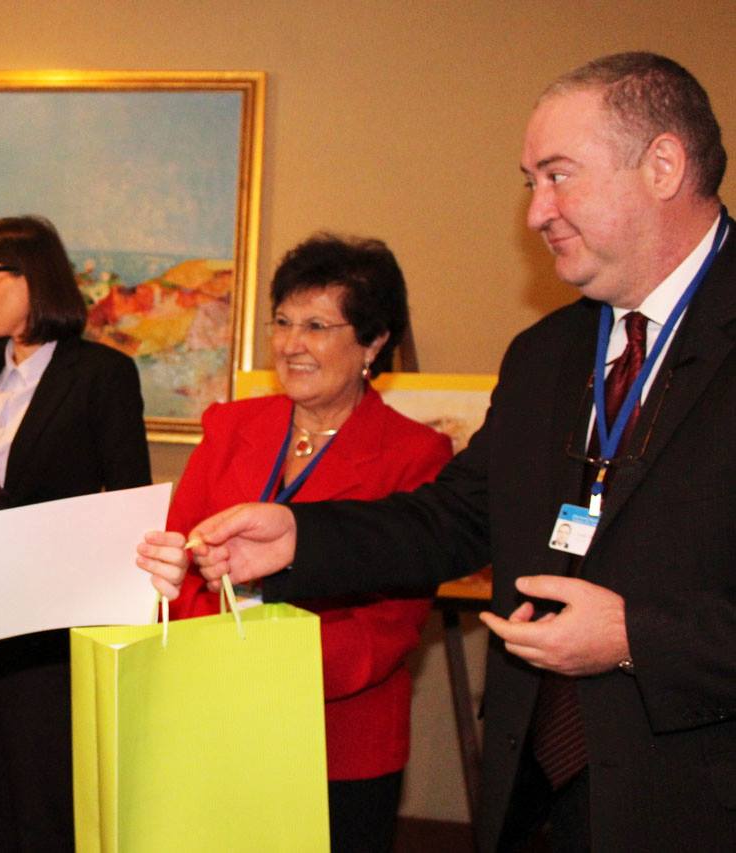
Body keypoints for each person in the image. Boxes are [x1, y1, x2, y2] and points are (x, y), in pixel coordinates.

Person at [140, 53, 736, 852]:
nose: (535, 212)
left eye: (557, 176)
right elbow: (452, 518)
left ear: (661, 166)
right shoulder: (545, 355)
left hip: (695, 796)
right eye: (529, 182)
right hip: (534, 793)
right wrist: (300, 538)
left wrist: (637, 637)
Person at [138, 234, 451, 851]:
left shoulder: (415, 455)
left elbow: (388, 627)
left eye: (315, 326)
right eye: (282, 322)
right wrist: (217, 657)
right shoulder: (231, 426)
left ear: (373, 342)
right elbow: (179, 559)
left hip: (337, 739)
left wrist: (264, 670)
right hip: (212, 720)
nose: (289, 344)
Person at [0, 215, 150, 850]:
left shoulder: (102, 374)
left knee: (44, 803)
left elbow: (130, 505)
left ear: (31, 277)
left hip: (54, 634)